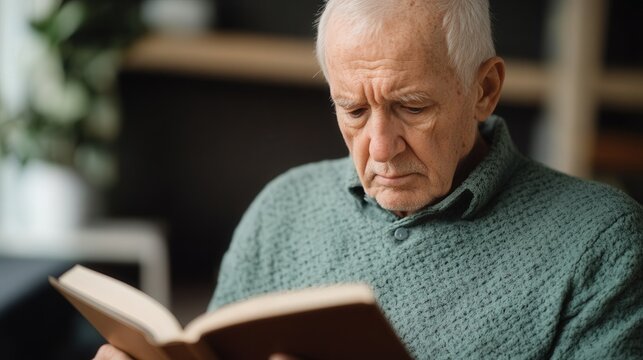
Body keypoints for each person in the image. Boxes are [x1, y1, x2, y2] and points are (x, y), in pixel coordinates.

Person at [95, 0, 643, 359]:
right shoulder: (283, 206)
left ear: (484, 90)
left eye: (410, 107)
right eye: (353, 111)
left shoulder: (602, 242)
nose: (380, 148)